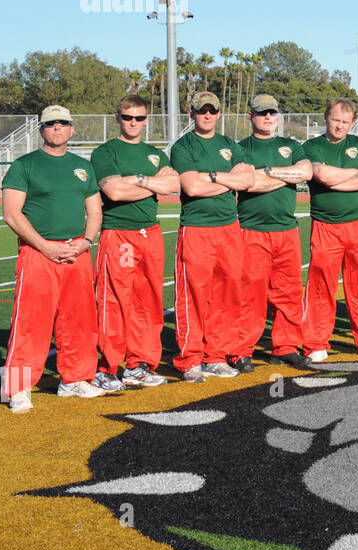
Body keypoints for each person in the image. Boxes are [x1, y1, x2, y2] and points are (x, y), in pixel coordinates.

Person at [1, 105, 105, 412]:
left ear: (72, 129)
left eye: (63, 123)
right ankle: (19, 387)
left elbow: (95, 210)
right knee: (32, 322)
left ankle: (75, 379)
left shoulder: (82, 166)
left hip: (76, 254)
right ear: (41, 129)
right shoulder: (25, 165)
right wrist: (44, 246)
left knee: (80, 320)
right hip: (37, 254)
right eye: (50, 123)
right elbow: (11, 213)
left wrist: (86, 242)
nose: (57, 127)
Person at [90, 94, 179, 390]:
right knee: (114, 301)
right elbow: (114, 192)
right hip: (119, 234)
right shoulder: (105, 152)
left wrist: (136, 180)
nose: (133, 123)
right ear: (118, 118)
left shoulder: (156, 154)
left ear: (146, 119)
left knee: (148, 302)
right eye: (127, 117)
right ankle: (107, 367)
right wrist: (150, 182)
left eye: (139, 118)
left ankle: (139, 364)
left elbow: (172, 185)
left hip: (150, 234)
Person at [170, 91, 255, 380]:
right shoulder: (184, 146)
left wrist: (212, 176)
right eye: (201, 110)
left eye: (212, 110)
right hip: (196, 228)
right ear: (192, 114)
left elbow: (247, 181)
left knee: (226, 294)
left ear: (219, 113)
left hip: (229, 228)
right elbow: (191, 188)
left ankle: (216, 356)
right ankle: (190, 359)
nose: (207, 114)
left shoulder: (230, 145)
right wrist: (227, 178)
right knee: (193, 296)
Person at [234, 94, 314, 370]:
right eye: (261, 113)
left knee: (289, 292)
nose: (268, 118)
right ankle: (242, 349)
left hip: (286, 230)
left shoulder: (291, 145)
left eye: (272, 113)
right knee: (250, 294)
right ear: (251, 116)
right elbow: (246, 184)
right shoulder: (240, 148)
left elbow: (305, 173)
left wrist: (266, 172)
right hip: (250, 230)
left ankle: (286, 346)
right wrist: (284, 174)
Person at [302, 98, 358, 360]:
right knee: (321, 285)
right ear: (326, 118)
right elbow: (321, 175)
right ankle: (316, 343)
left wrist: (337, 179)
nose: (340, 126)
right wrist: (354, 175)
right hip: (326, 225)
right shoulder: (311, 146)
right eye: (336, 120)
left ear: (352, 123)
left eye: (345, 122)